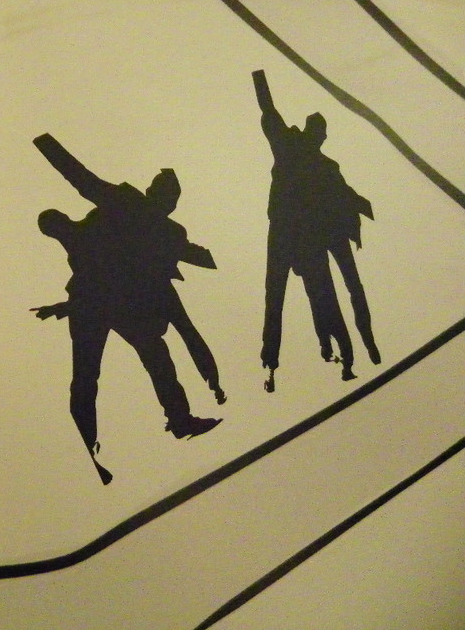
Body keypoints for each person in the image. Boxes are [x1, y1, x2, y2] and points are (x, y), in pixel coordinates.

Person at [31, 134, 221, 484]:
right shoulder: (124, 203)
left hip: (121, 303)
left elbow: (192, 254)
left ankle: (180, 420)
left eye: (173, 198)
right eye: (165, 194)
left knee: (156, 358)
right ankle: (89, 445)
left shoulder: (166, 230)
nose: (169, 203)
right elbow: (82, 179)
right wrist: (47, 146)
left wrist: (220, 258)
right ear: (151, 192)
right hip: (92, 301)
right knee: (88, 375)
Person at [255, 70, 379, 392]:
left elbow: (344, 195)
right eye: (317, 132)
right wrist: (259, 79)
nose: (318, 138)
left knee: (322, 293)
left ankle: (343, 351)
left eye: (320, 134)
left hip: (307, 236)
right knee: (280, 294)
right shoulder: (289, 146)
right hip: (286, 233)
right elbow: (269, 112)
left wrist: (358, 213)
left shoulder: (324, 165)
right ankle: (274, 359)